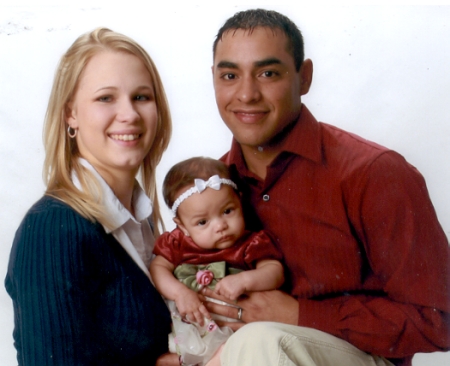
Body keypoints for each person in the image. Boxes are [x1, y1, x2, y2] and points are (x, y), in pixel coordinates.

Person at [202, 8, 450, 366]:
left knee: (260, 343)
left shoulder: (374, 173)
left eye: (268, 73)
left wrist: (300, 315)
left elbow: (440, 321)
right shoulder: (213, 187)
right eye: (229, 75)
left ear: (305, 78)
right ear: (213, 79)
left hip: (359, 359)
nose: (246, 94)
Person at [4, 28, 175, 365]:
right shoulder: (53, 229)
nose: (129, 114)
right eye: (105, 98)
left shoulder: (140, 222)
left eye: (142, 96)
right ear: (71, 114)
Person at [150, 156, 284, 366]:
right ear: (182, 226)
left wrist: (245, 280)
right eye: (203, 222)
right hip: (192, 325)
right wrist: (180, 293)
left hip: (235, 328)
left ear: (239, 201)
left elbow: (275, 271)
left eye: (227, 211)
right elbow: (158, 267)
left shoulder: (250, 243)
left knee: (237, 351)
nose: (220, 225)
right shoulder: (177, 242)